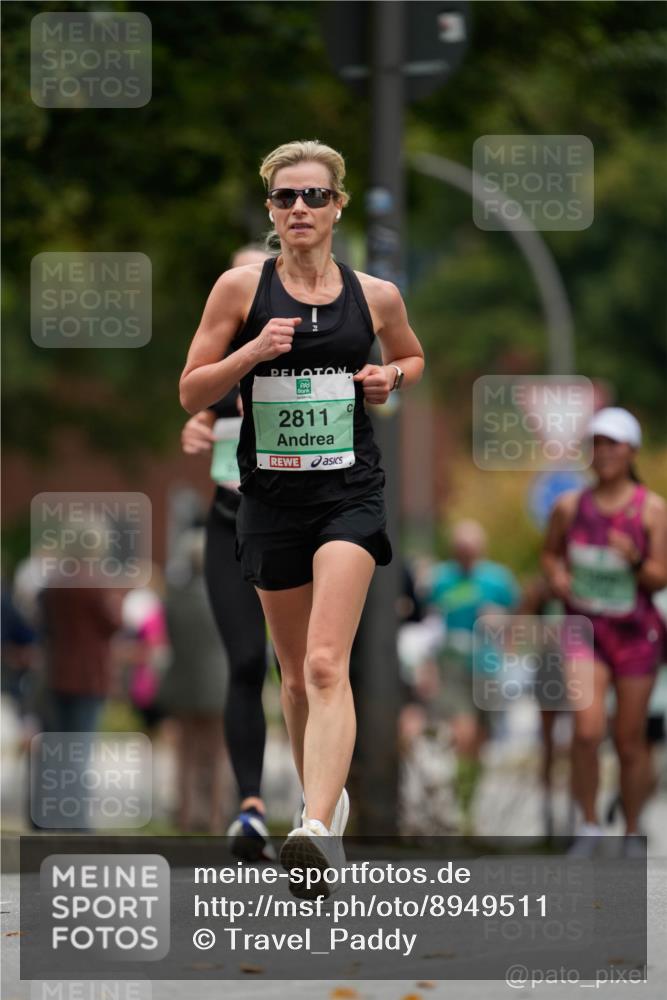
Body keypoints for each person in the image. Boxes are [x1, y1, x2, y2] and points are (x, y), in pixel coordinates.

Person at [180, 139, 424, 894]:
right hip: (269, 499)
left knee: (324, 662)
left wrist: (389, 377)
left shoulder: (374, 295)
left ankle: (316, 828)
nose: (298, 209)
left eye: (313, 196)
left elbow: (411, 358)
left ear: (337, 206)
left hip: (348, 492)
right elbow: (192, 391)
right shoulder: (237, 290)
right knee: (290, 678)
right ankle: (325, 801)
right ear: (270, 211)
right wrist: (251, 353)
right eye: (285, 198)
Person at [181, 244, 278, 860]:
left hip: (302, 527)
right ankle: (251, 808)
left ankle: (326, 809)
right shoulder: (221, 359)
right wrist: (197, 426)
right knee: (246, 662)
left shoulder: (319, 344)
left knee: (308, 670)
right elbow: (199, 410)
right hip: (230, 525)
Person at [542, 407, 667, 855]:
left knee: (629, 741)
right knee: (587, 730)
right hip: (584, 630)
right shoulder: (570, 506)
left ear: (631, 450)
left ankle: (632, 830)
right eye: (596, 443)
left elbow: (660, 578)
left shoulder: (651, 510)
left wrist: (634, 558)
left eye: (613, 443)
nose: (604, 451)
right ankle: (590, 826)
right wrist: (556, 576)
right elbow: (550, 554)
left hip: (635, 633)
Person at [427, 520, 520, 832]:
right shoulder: (440, 579)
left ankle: (467, 802)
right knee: (462, 732)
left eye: (471, 548)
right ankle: (452, 800)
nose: (466, 554)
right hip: (452, 665)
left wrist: (502, 624)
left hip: (488, 667)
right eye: (461, 549)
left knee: (480, 740)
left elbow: (517, 623)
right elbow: (429, 623)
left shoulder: (498, 580)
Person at [159, 530, 230, 833]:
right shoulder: (228, 598)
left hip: (183, 680)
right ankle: (214, 817)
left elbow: (168, 636)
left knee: (185, 754)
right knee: (217, 756)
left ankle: (187, 816)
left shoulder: (174, 599)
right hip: (219, 685)